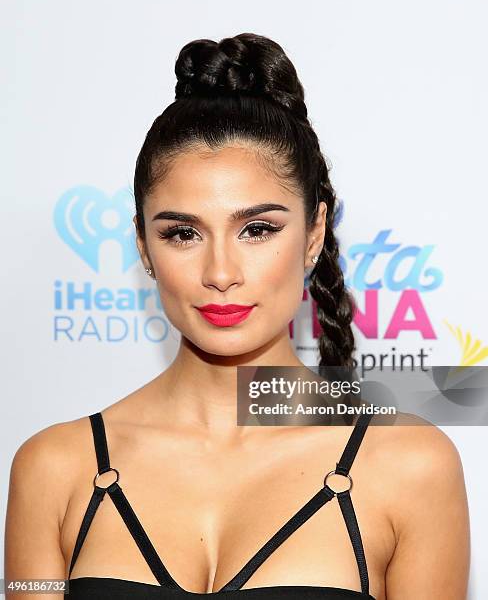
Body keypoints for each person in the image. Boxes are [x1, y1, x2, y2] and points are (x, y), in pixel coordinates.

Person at [5, 33, 470, 600]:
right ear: (144, 248)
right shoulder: (53, 468)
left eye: (257, 229)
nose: (220, 271)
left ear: (314, 233)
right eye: (182, 233)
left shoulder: (411, 466)